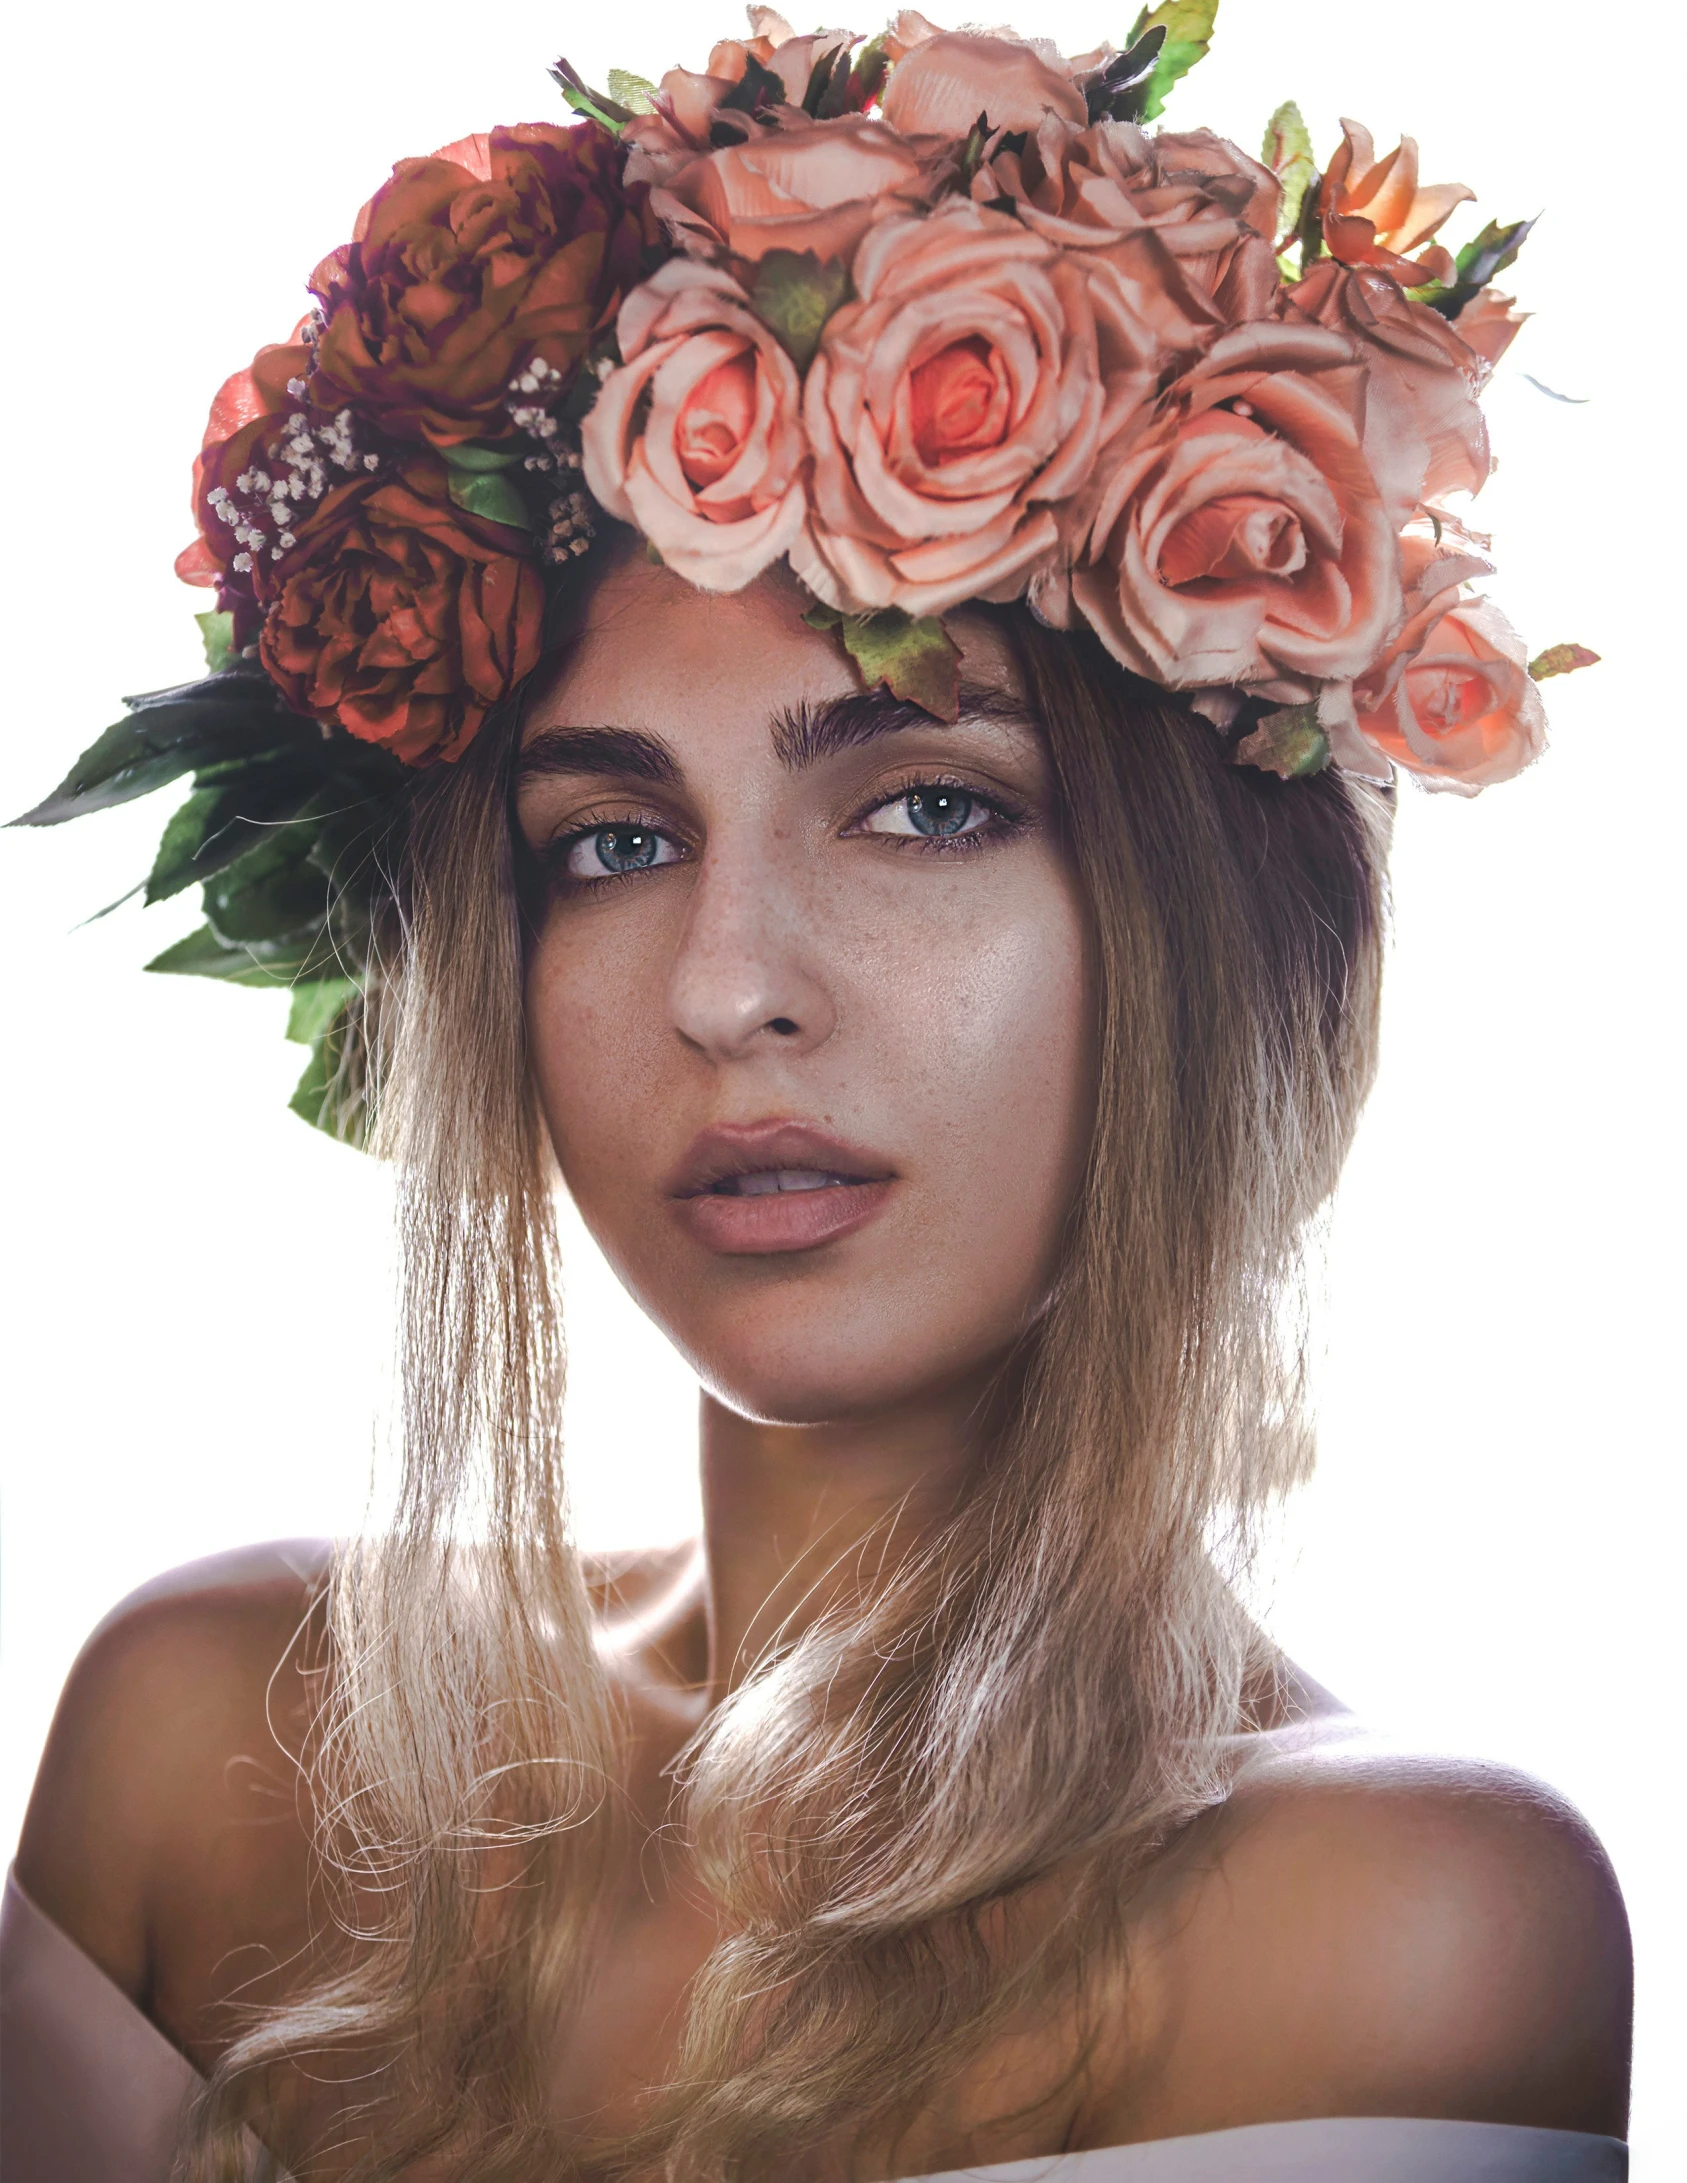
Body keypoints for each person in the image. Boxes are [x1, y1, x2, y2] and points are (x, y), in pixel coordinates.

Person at [0, 12, 1628, 2180]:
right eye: (605, 842)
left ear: (1237, 933)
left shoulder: (1400, 1917)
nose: (728, 985)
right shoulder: (210, 1728)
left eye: (930, 808)